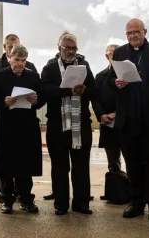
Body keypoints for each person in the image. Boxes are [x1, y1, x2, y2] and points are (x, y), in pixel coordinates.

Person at [108, 19, 149, 222]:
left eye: (136, 32)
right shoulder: (119, 53)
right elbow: (110, 80)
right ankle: (136, 203)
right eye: (128, 34)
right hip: (129, 120)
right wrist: (116, 83)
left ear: (145, 32)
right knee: (133, 164)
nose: (132, 36)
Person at [41, 31, 97, 215]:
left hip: (80, 124)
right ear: (59, 48)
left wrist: (84, 90)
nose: (71, 52)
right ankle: (61, 204)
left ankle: (82, 204)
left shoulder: (84, 65)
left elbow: (95, 90)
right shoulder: (49, 68)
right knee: (59, 167)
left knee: (81, 166)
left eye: (74, 48)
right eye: (68, 48)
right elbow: (45, 92)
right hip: (57, 125)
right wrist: (66, 90)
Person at [0, 43, 44, 214]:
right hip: (7, 124)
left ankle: (26, 199)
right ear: (10, 57)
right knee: (6, 164)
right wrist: (4, 102)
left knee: (26, 163)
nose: (20, 64)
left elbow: (41, 99)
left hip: (27, 125)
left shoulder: (33, 76)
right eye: (16, 59)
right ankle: (7, 200)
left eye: (23, 60)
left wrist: (36, 100)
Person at [94, 44, 121, 176]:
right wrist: (101, 115)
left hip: (124, 121)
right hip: (107, 123)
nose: (114, 58)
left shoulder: (127, 76)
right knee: (112, 161)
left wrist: (117, 113)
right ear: (106, 56)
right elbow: (95, 98)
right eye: (112, 55)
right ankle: (116, 191)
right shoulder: (100, 77)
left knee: (133, 159)